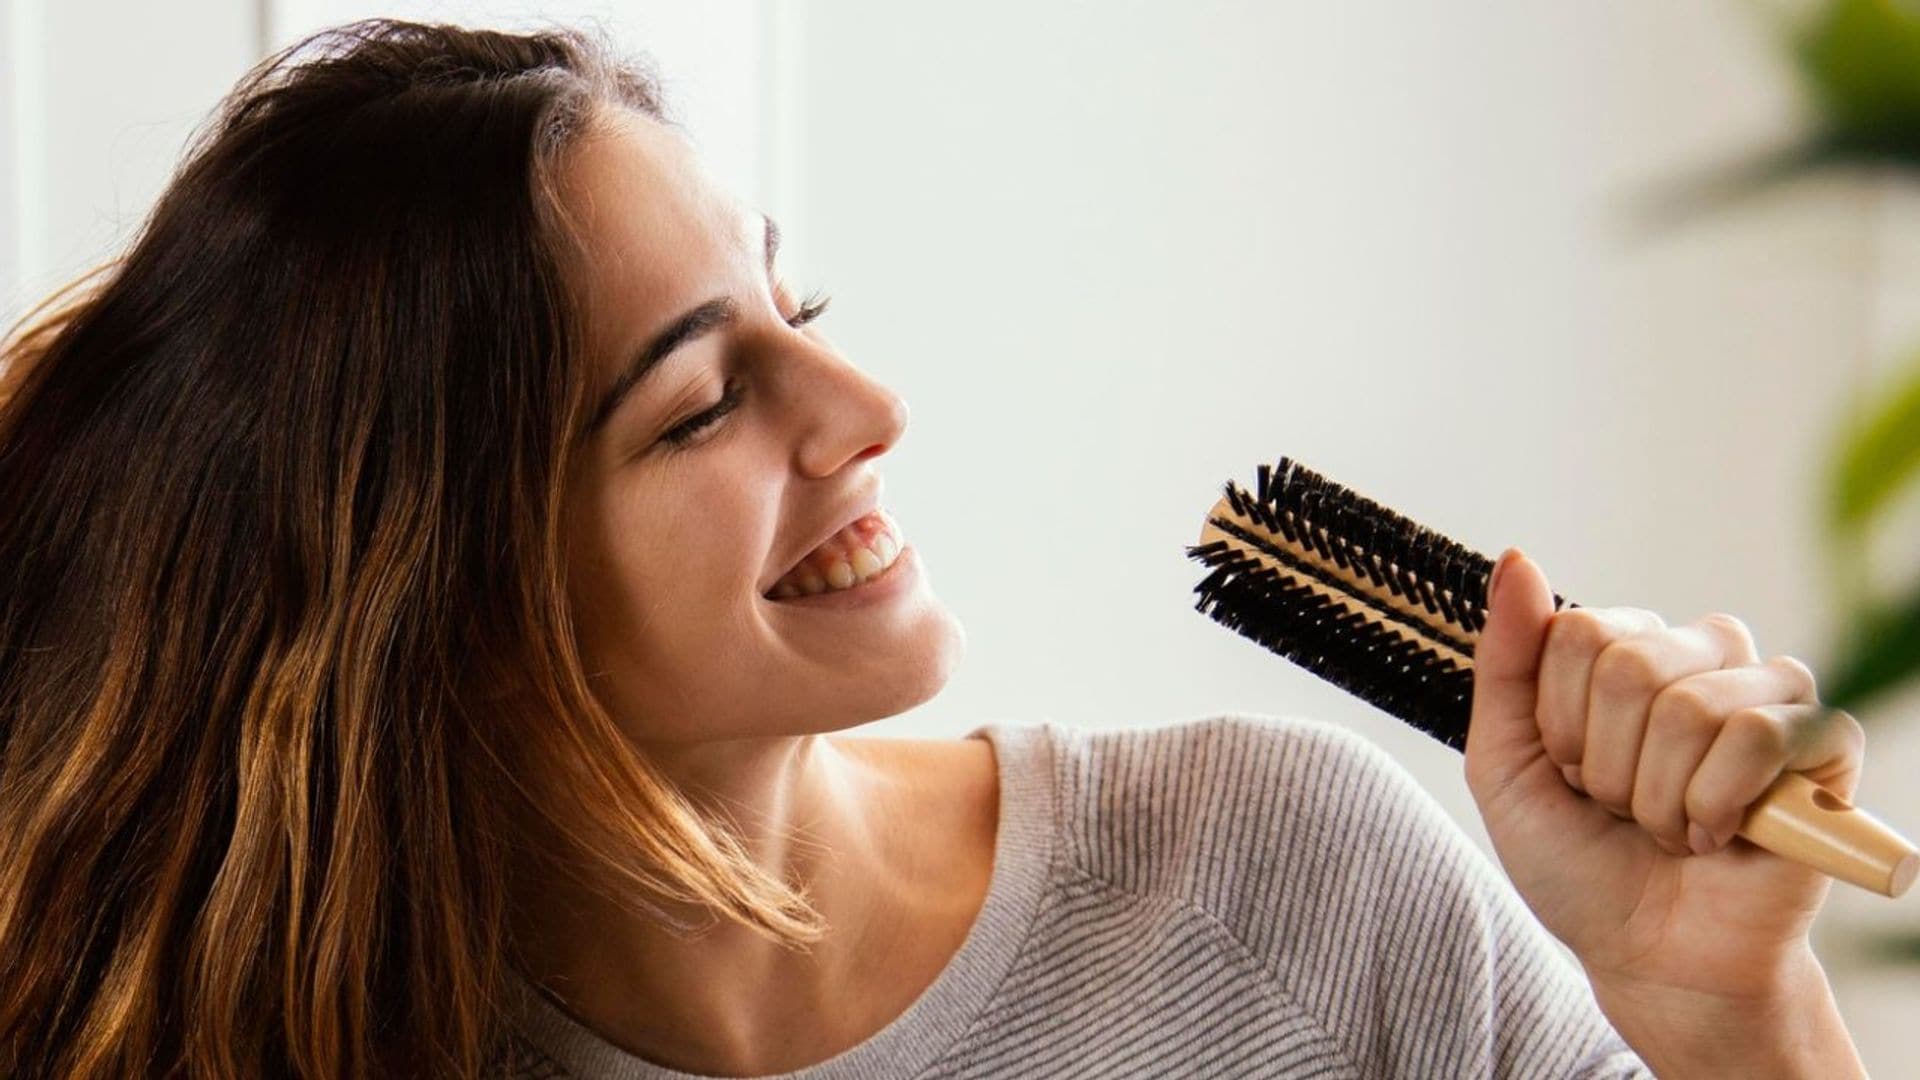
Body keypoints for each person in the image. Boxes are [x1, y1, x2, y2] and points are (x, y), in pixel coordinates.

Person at [0, 18, 1869, 1079]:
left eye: (795, 299)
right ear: (459, 611)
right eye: (700, 402)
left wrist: (1726, 1007)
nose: (863, 402)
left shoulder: (1284, 885)